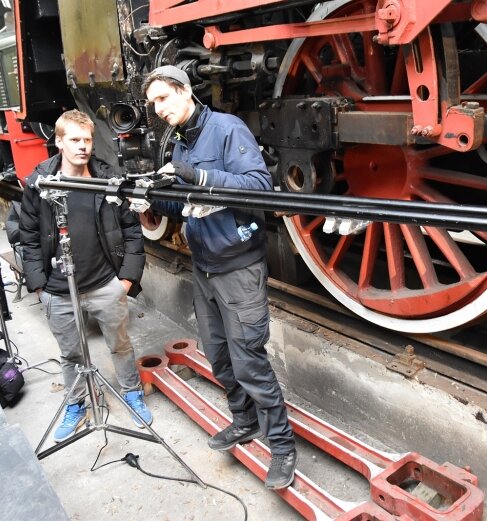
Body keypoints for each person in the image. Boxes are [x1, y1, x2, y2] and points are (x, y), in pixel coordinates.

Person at [141, 65, 297, 490]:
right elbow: (184, 205)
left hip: (239, 266)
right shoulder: (179, 146)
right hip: (205, 266)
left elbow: (259, 186)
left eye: (164, 98)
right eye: (153, 103)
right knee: (219, 354)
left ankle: (282, 448)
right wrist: (153, 200)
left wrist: (200, 176)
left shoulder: (227, 130)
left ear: (185, 91)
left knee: (249, 359)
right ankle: (244, 421)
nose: (159, 109)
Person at [19, 109, 152, 442]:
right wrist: (39, 286)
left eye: (88, 140)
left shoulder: (108, 180)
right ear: (59, 142)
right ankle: (77, 404)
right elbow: (28, 235)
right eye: (75, 140)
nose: (83, 147)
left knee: (120, 345)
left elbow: (132, 231)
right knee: (71, 354)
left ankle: (132, 392)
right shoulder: (39, 183)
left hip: (105, 284)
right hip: (58, 290)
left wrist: (125, 281)